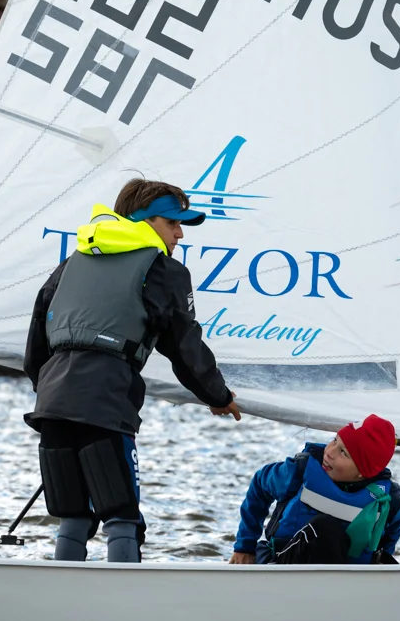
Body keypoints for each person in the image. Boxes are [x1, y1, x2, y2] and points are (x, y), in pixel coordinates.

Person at [25, 178, 241, 564]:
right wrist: (219, 397)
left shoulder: (71, 263)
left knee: (73, 516)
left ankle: (60, 596)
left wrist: (51, 389)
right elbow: (184, 346)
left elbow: (35, 347)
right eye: (173, 223)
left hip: (52, 403)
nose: (179, 234)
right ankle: (123, 604)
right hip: (107, 402)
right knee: (122, 516)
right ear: (145, 222)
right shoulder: (163, 270)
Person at [230, 415, 400, 566]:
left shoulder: (390, 501)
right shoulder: (298, 472)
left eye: (343, 453)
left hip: (345, 576)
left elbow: (389, 537)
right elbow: (259, 486)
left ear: (363, 472)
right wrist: (245, 547)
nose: (330, 452)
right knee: (325, 528)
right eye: (334, 441)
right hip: (279, 563)